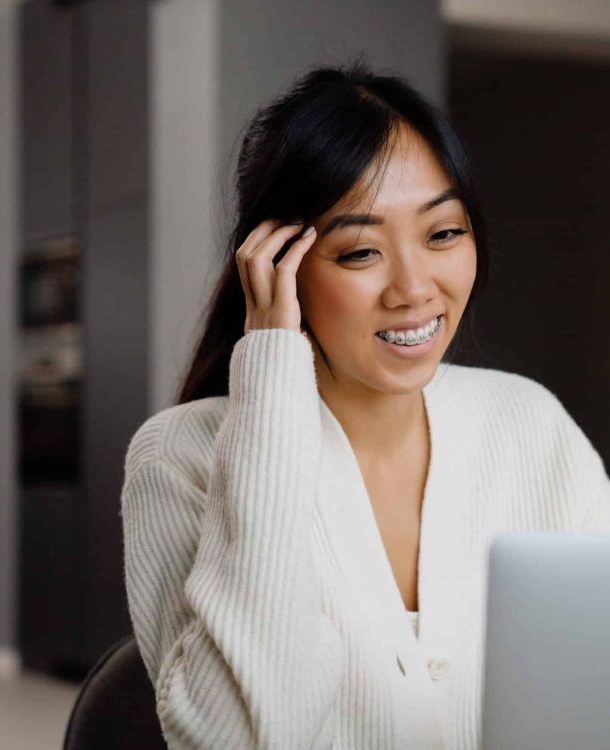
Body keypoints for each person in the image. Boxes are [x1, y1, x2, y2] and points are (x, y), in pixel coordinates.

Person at [120, 59, 610, 750]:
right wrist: (270, 373)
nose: (414, 288)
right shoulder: (179, 457)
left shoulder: (528, 424)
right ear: (276, 263)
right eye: (360, 252)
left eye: (443, 234)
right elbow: (237, 737)